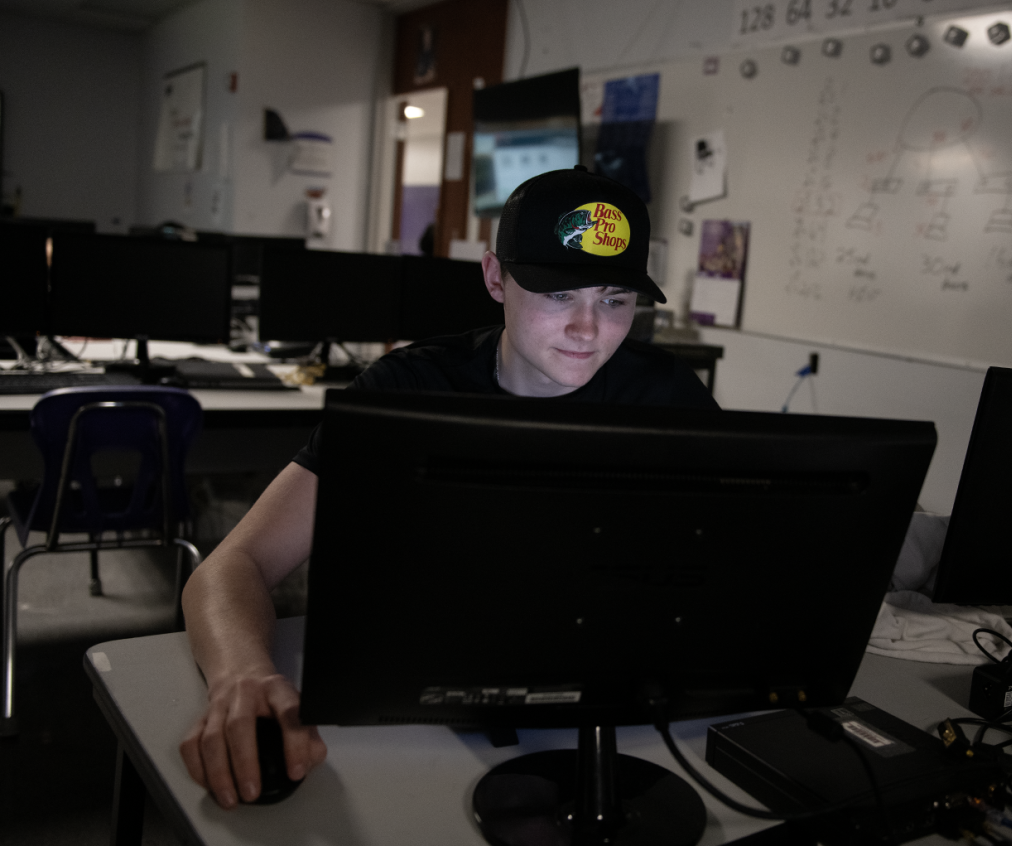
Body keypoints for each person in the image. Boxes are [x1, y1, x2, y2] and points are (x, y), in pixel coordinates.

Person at [179, 166, 719, 808]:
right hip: (419, 723)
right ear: (495, 278)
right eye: (557, 295)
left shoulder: (667, 398)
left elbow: (732, 568)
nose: (587, 328)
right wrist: (243, 675)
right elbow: (232, 566)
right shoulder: (406, 393)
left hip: (619, 722)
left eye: (613, 299)